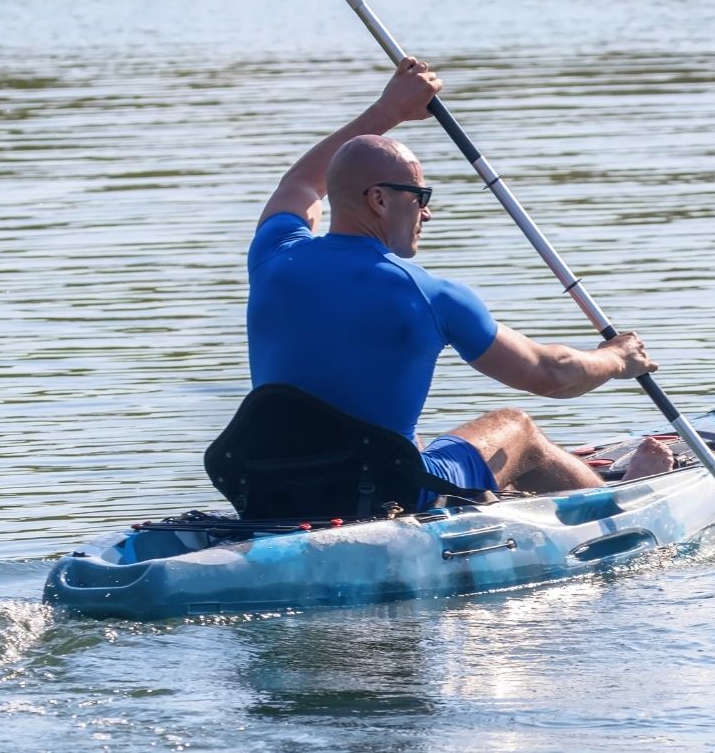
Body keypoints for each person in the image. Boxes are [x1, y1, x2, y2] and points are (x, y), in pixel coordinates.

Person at [245, 56, 674, 509]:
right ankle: (619, 504)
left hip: (271, 490)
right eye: (421, 196)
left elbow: (302, 182)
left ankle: (504, 490)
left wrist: (387, 111)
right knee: (517, 428)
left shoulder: (274, 254)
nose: (427, 212)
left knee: (421, 441)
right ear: (379, 199)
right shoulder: (429, 295)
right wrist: (615, 358)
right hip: (388, 492)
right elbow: (551, 374)